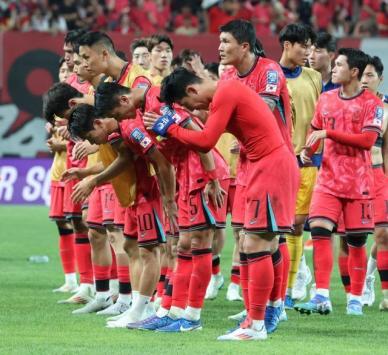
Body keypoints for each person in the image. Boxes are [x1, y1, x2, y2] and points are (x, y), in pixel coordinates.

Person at [145, 67, 299, 341]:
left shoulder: (226, 90)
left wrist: (171, 128)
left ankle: (258, 324)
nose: (195, 109)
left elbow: (205, 142)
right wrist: (170, 129)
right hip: (258, 165)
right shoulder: (224, 95)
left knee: (257, 243)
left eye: (189, 104)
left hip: (271, 165)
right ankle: (254, 319)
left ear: (192, 90)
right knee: (251, 243)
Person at [91, 82, 230, 332]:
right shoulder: (144, 102)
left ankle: (191, 317)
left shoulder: (156, 101)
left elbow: (198, 134)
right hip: (187, 175)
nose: (120, 121)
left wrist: (211, 177)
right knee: (182, 246)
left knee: (197, 244)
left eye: (116, 114)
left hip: (202, 173)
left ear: (123, 101)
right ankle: (172, 310)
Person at [67, 103, 176, 326]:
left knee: (149, 251)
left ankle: (143, 310)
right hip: (133, 195)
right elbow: (119, 161)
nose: (94, 143)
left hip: (147, 193)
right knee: (130, 246)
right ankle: (135, 305)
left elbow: (161, 162)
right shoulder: (117, 132)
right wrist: (88, 173)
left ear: (98, 123)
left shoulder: (129, 128)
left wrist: (168, 198)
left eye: (91, 136)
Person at [295, 48, 383, 316]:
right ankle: (321, 295)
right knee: (320, 232)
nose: (333, 69)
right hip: (328, 180)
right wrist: (307, 152)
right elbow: (315, 130)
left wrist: (328, 133)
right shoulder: (327, 98)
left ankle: (355, 298)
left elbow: (367, 141)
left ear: (353, 72)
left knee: (355, 241)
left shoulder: (372, 104)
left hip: (359, 183)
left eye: (339, 65)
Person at [218, 19, 294, 331]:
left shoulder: (269, 71)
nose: (220, 48)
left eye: (226, 41)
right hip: (247, 166)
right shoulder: (228, 75)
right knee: (248, 237)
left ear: (245, 46)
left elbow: (261, 111)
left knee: (270, 238)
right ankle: (257, 308)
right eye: (220, 41)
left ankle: (272, 308)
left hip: (274, 162)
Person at [279, 23, 321, 307]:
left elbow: (320, 118)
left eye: (309, 46)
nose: (307, 51)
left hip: (307, 162)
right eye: (303, 45)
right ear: (287, 45)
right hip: (278, 160)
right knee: (270, 229)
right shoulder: (269, 76)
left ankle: (288, 290)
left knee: (294, 226)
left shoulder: (314, 76)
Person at [358, 56, 388, 311]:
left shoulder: (386, 106)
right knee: (353, 237)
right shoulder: (348, 104)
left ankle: (382, 291)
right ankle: (358, 284)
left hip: (378, 174)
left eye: (370, 76)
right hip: (351, 176)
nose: (365, 80)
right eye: (362, 75)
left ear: (381, 79)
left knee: (383, 233)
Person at [47, 57, 76, 293]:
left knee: (83, 224)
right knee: (62, 224)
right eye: (62, 70)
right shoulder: (55, 106)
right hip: (59, 171)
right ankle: (70, 279)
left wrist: (61, 144)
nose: (65, 73)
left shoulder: (80, 101)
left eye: (68, 70)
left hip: (79, 171)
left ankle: (90, 282)